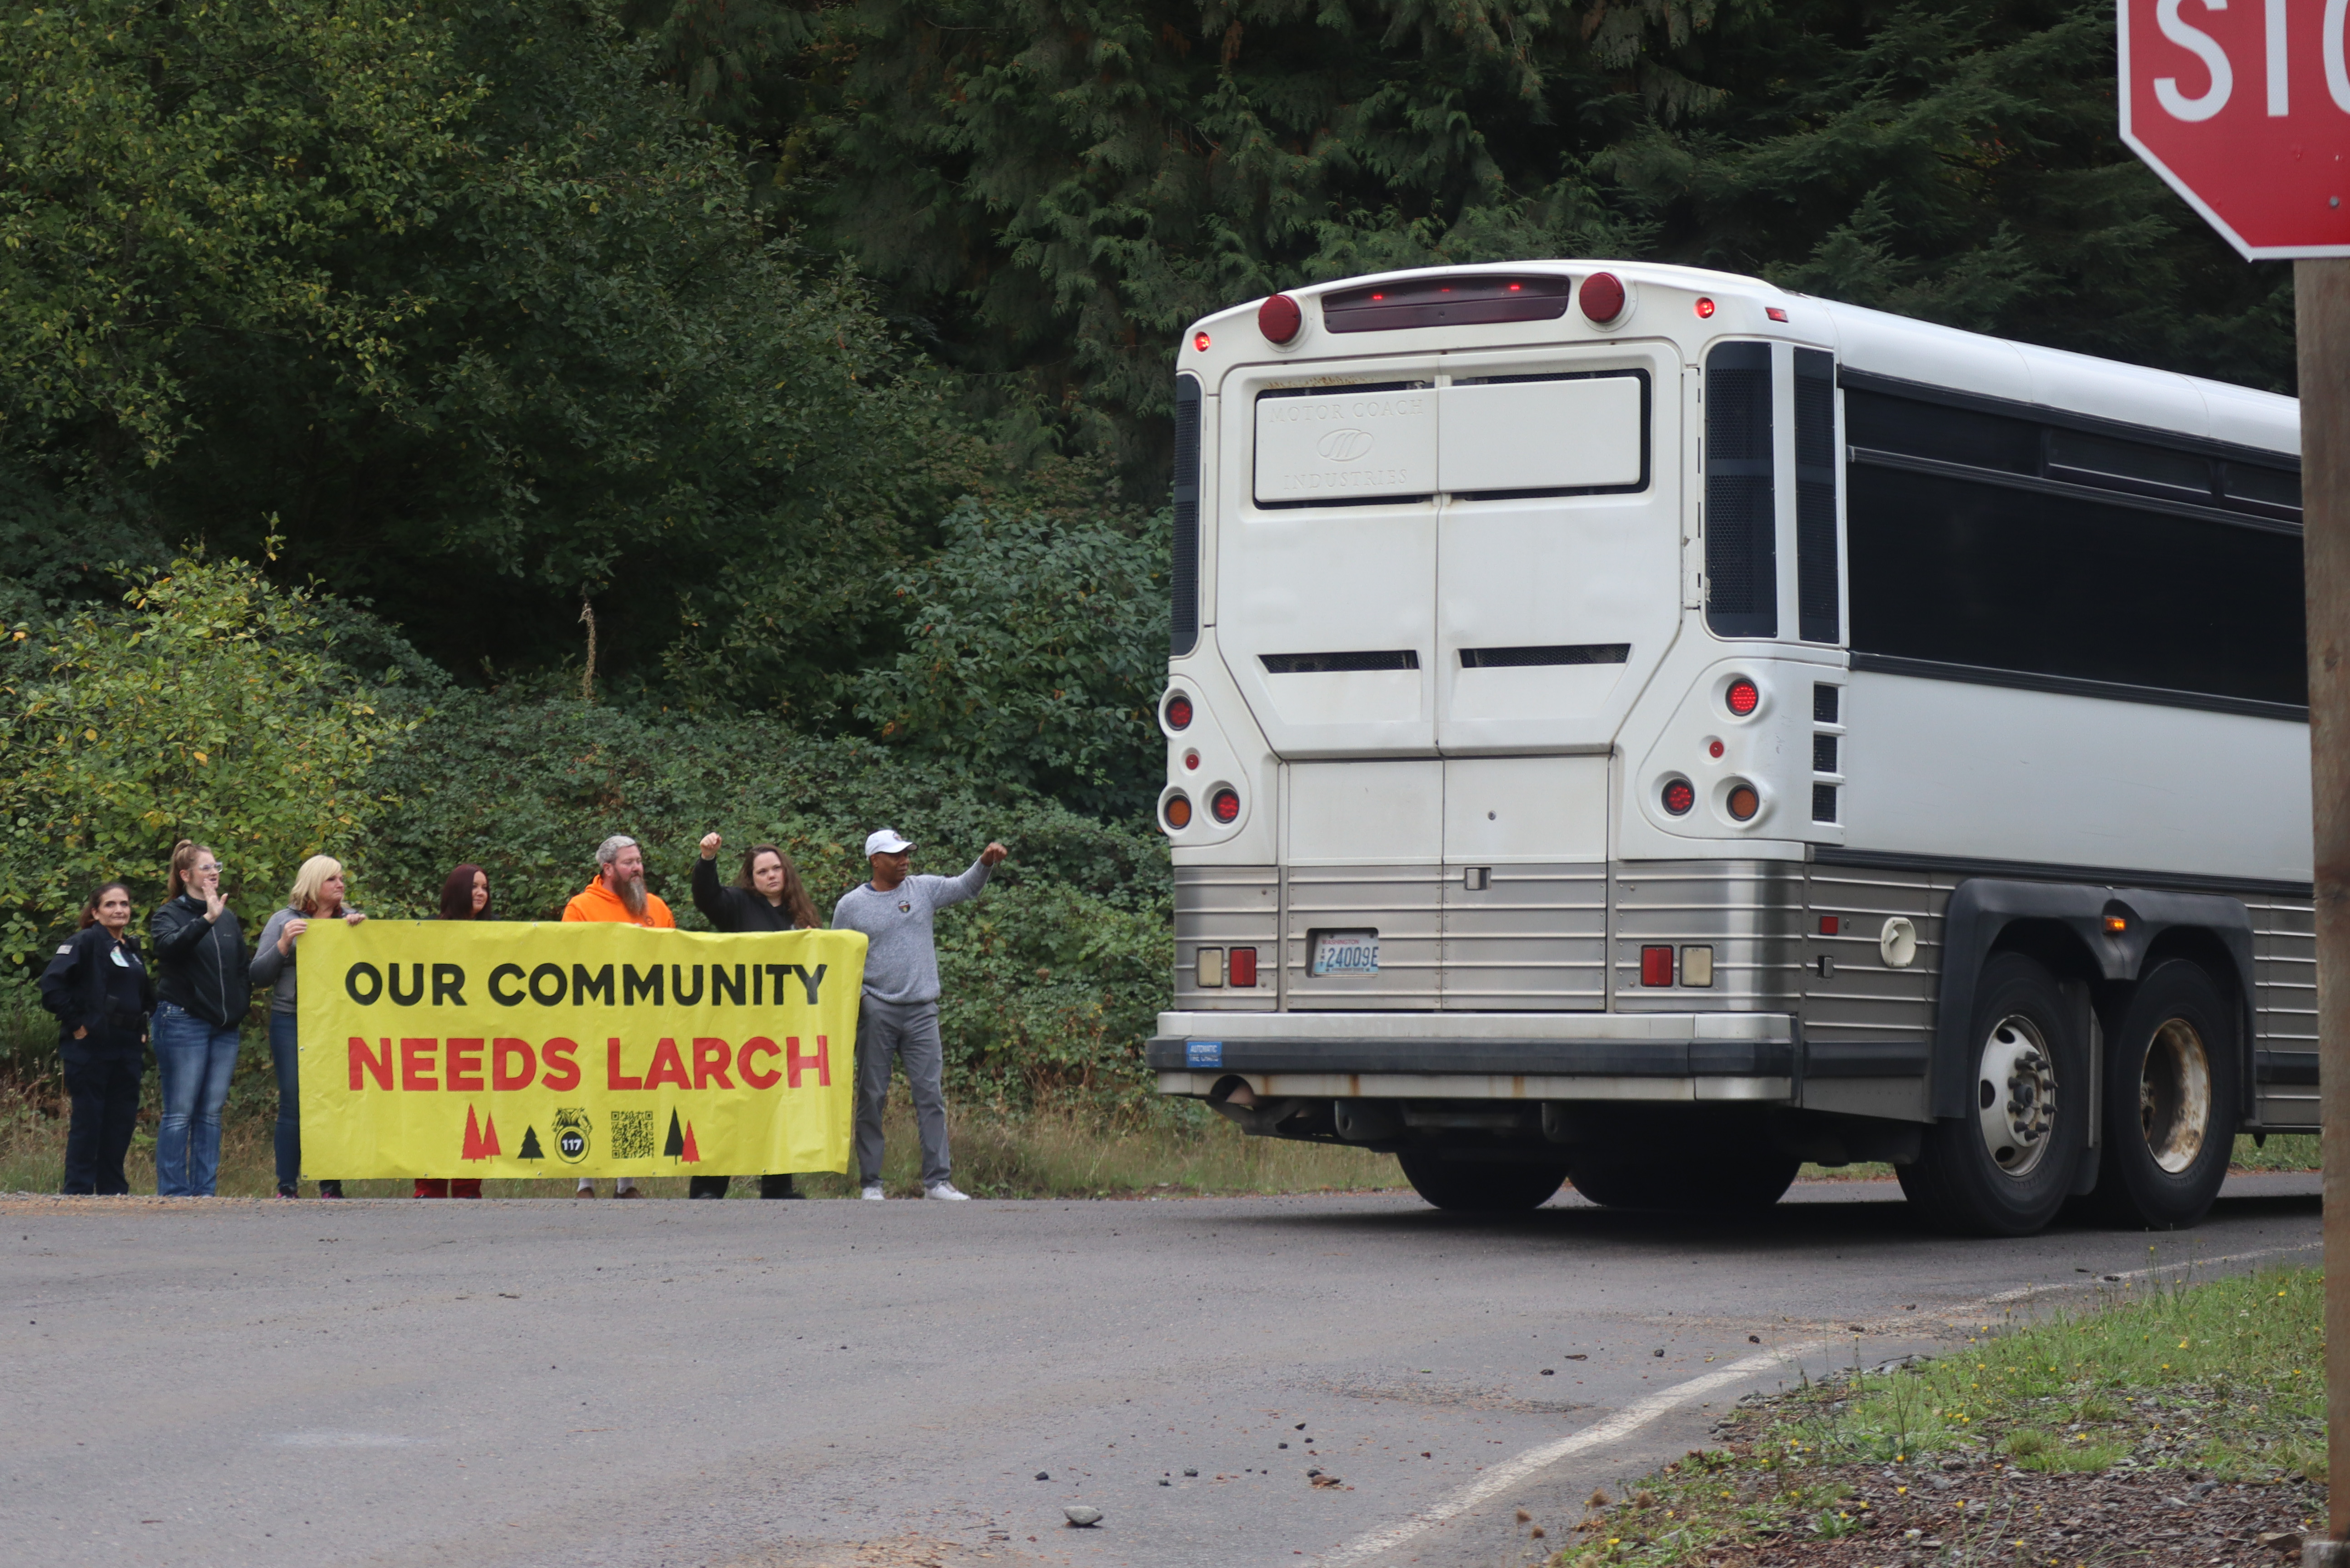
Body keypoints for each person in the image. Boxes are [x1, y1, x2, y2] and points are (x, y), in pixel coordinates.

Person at [832, 828, 1008, 1202]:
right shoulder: (850, 906)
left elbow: (965, 888)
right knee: (872, 1094)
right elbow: (838, 960)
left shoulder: (922, 889)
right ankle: (871, 1184)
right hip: (877, 1009)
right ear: (874, 860)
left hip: (922, 1010)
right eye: (895, 855)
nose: (904, 860)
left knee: (930, 1094)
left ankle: (937, 1182)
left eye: (906, 853)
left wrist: (985, 863)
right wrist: (862, 999)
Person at [688, 834, 822, 1200]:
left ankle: (778, 1188)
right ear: (751, 877)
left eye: (776, 868)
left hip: (785, 1029)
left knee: (780, 1108)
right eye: (762, 871)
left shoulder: (802, 914)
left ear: (786, 872)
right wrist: (707, 860)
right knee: (728, 1108)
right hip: (740, 1027)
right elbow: (707, 898)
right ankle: (708, 1189)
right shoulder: (738, 903)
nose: (771, 876)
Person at [249, 856, 368, 1199]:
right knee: (293, 1101)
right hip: (292, 1020)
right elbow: (258, 977)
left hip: (337, 1024)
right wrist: (283, 944)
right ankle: (287, 1186)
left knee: (332, 1100)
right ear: (314, 883)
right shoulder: (283, 920)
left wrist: (364, 934)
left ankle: (331, 1185)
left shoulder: (351, 920)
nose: (341, 885)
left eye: (342, 878)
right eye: (333, 879)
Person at [562, 834, 674, 1196]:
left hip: (643, 1022)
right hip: (594, 1020)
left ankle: (627, 1182)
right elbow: (568, 962)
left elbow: (674, 962)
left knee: (635, 1096)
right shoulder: (580, 908)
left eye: (639, 861)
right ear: (608, 868)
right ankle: (586, 1180)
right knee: (590, 1093)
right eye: (629, 863)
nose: (637, 868)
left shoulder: (656, 907)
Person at [149, 841, 250, 1198]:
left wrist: (239, 1008)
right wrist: (206, 918)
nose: (214, 872)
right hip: (182, 1020)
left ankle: (205, 1192)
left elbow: (240, 969)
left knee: (210, 1114)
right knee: (180, 1112)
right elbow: (167, 948)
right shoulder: (169, 914)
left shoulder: (229, 917)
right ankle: (175, 1193)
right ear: (186, 875)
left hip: (224, 1027)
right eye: (206, 867)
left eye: (216, 866)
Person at [38, 883, 151, 1195]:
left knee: (122, 1119)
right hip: (91, 1045)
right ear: (95, 911)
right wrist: (77, 1023)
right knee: (90, 1119)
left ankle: (113, 1189)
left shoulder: (130, 948)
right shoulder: (84, 942)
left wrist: (142, 1028)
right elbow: (51, 987)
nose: (119, 910)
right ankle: (78, 1189)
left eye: (125, 904)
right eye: (111, 904)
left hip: (127, 1046)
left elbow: (141, 994)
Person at [414, 864, 493, 1199]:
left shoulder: (498, 935)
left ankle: (466, 1188)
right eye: (474, 886)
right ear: (457, 890)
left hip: (478, 1041)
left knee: (474, 1113)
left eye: (485, 888)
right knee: (433, 1114)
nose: (480, 893)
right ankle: (428, 1187)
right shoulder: (426, 933)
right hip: (435, 1041)